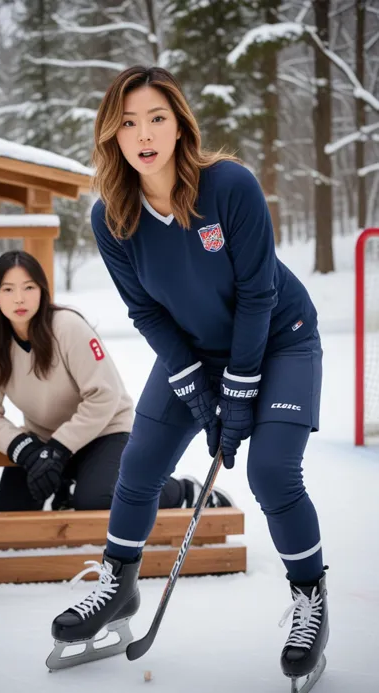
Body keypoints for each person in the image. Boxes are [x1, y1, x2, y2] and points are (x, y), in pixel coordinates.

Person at [48, 65, 329, 686]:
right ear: (110, 136)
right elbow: (145, 310)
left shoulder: (229, 187)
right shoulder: (111, 217)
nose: (143, 134)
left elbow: (258, 294)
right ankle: (117, 585)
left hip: (281, 339)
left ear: (179, 127)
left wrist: (239, 388)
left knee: (271, 471)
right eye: (127, 123)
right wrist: (196, 387)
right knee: (140, 463)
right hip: (198, 350)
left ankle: (310, 599)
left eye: (156, 118)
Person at [0, 250, 233, 514]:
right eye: (8, 289)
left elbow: (105, 396)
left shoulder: (66, 327)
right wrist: (24, 449)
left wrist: (59, 449)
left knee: (100, 499)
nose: (19, 298)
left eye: (29, 287)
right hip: (45, 442)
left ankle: (184, 490)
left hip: (105, 432)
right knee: (12, 510)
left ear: (43, 291)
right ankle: (66, 486)